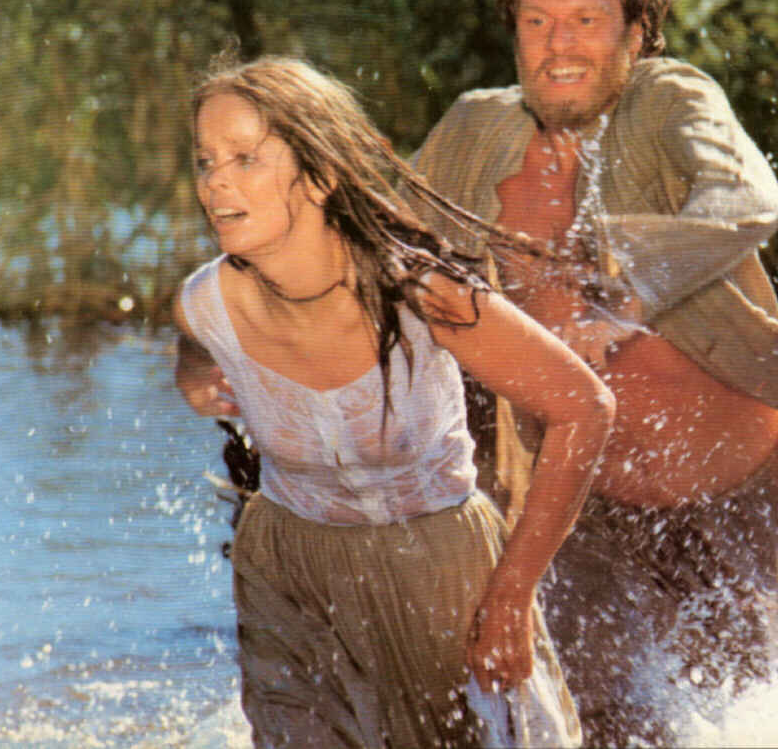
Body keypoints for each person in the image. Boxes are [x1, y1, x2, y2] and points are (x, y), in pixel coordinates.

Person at [407, 0, 778, 745]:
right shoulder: (473, 131)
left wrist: (621, 307)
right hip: (576, 504)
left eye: (587, 19)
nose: (559, 44)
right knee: (596, 729)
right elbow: (384, 255)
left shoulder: (670, 98)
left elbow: (744, 202)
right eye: (536, 20)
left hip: (727, 494)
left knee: (748, 727)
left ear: (636, 34)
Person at [172, 53, 615, 748]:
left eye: (245, 158)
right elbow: (194, 345)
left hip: (440, 575)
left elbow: (584, 408)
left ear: (319, 175)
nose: (215, 182)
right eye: (206, 161)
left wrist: (511, 597)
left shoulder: (423, 295)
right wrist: (195, 377)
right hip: (290, 575)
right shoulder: (205, 302)